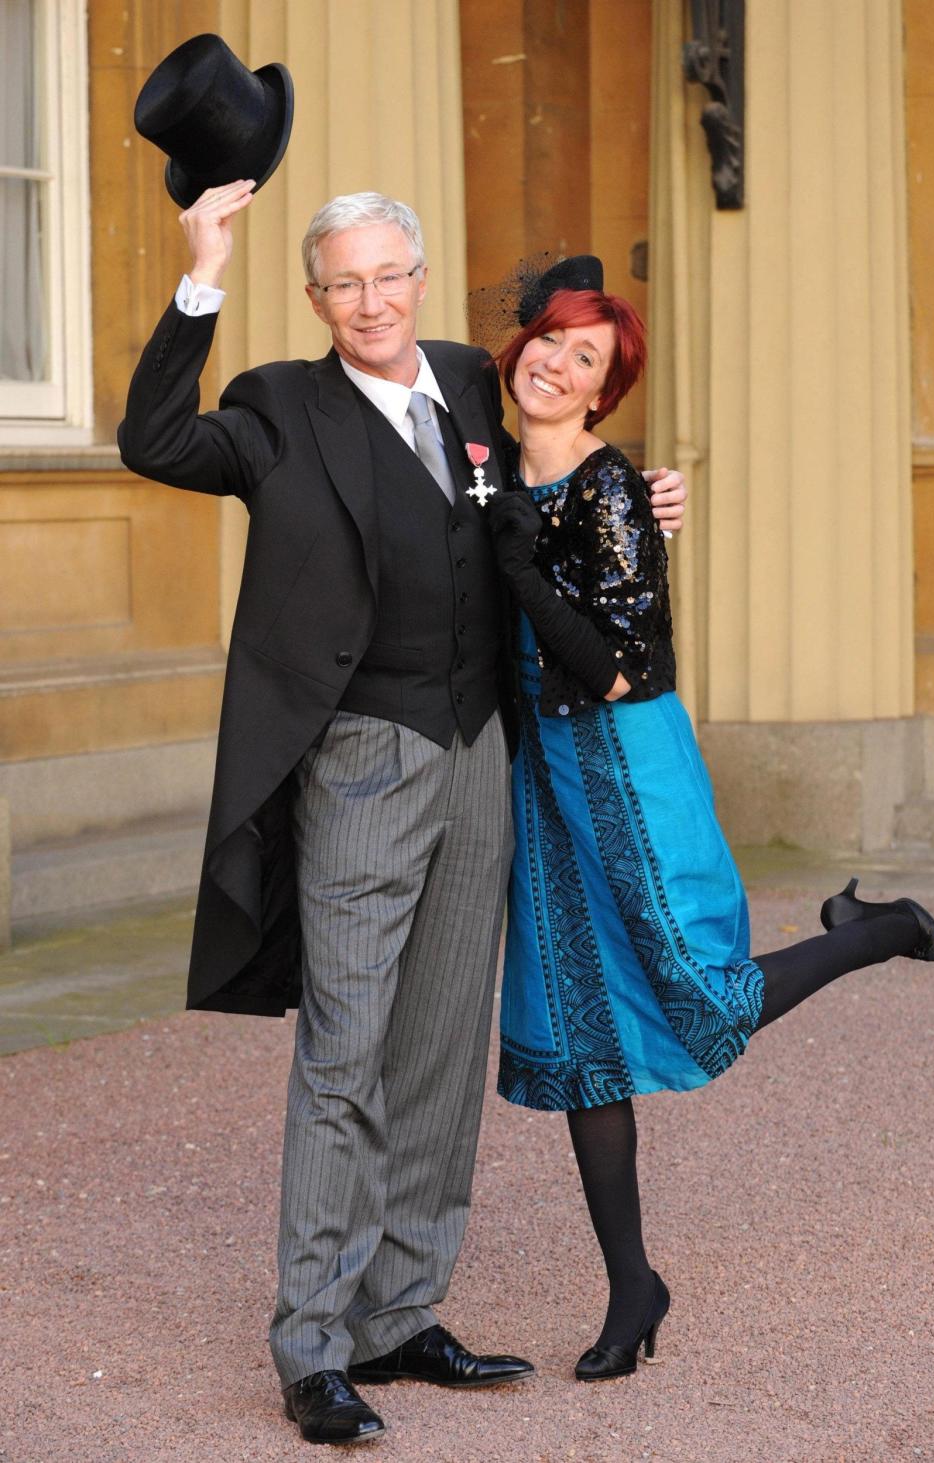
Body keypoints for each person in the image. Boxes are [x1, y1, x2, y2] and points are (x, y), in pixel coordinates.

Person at [118, 187, 687, 1444]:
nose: (372, 303)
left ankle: (398, 1310)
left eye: (391, 276)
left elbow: (557, 455)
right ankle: (314, 1344)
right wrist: (201, 271)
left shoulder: (472, 382)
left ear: (421, 277)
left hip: (485, 745)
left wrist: (637, 499)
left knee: (437, 1050)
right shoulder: (277, 406)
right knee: (346, 1051)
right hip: (364, 756)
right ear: (316, 299)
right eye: (345, 284)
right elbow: (155, 441)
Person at [486, 260, 934, 1385]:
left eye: (584, 355)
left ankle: (876, 929)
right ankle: (633, 1283)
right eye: (548, 337)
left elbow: (623, 666)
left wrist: (518, 567)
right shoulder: (483, 460)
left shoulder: (610, 494)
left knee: (702, 994)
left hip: (625, 762)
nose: (554, 361)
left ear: (604, 393)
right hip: (540, 780)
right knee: (581, 1027)